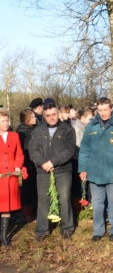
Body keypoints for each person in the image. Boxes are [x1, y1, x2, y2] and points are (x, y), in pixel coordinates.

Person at [29, 102, 77, 241]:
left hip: (62, 170)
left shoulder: (68, 130)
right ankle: (42, 230)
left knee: (64, 199)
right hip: (43, 171)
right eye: (48, 115)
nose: (51, 117)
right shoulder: (38, 130)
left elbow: (69, 150)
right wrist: (43, 163)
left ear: (58, 114)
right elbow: (33, 150)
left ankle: (67, 229)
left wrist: (53, 162)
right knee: (43, 200)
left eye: (53, 114)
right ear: (44, 116)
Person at [79, 98, 113, 242]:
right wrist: (83, 169)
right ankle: (98, 230)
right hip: (95, 172)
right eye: (100, 110)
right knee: (97, 204)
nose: (103, 113)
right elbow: (84, 149)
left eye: (106, 110)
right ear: (96, 111)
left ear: (111, 109)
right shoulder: (91, 126)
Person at [0, 108, 25, 247]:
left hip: (10, 178)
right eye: (2, 121)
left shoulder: (14, 136)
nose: (6, 123)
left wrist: (17, 166)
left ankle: (3, 236)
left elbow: (20, 154)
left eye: (7, 121)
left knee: (6, 207)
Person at [17, 109, 37, 223]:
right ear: (26, 119)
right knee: (27, 188)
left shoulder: (32, 129)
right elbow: (24, 149)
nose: (35, 118)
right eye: (33, 117)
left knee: (32, 187)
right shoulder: (23, 132)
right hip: (27, 163)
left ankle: (31, 210)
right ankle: (25, 213)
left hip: (33, 163)